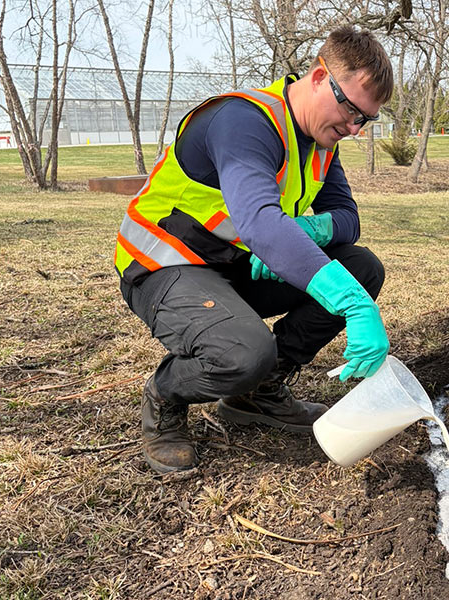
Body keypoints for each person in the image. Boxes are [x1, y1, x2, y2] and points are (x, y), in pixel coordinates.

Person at [114, 26, 393, 473]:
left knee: (362, 267)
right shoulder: (243, 121)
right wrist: (351, 304)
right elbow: (261, 221)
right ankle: (165, 394)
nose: (354, 128)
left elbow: (347, 219)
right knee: (244, 351)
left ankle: (256, 393)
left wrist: (307, 229)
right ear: (320, 77)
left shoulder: (321, 143)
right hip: (165, 265)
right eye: (350, 109)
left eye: (366, 119)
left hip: (236, 267)